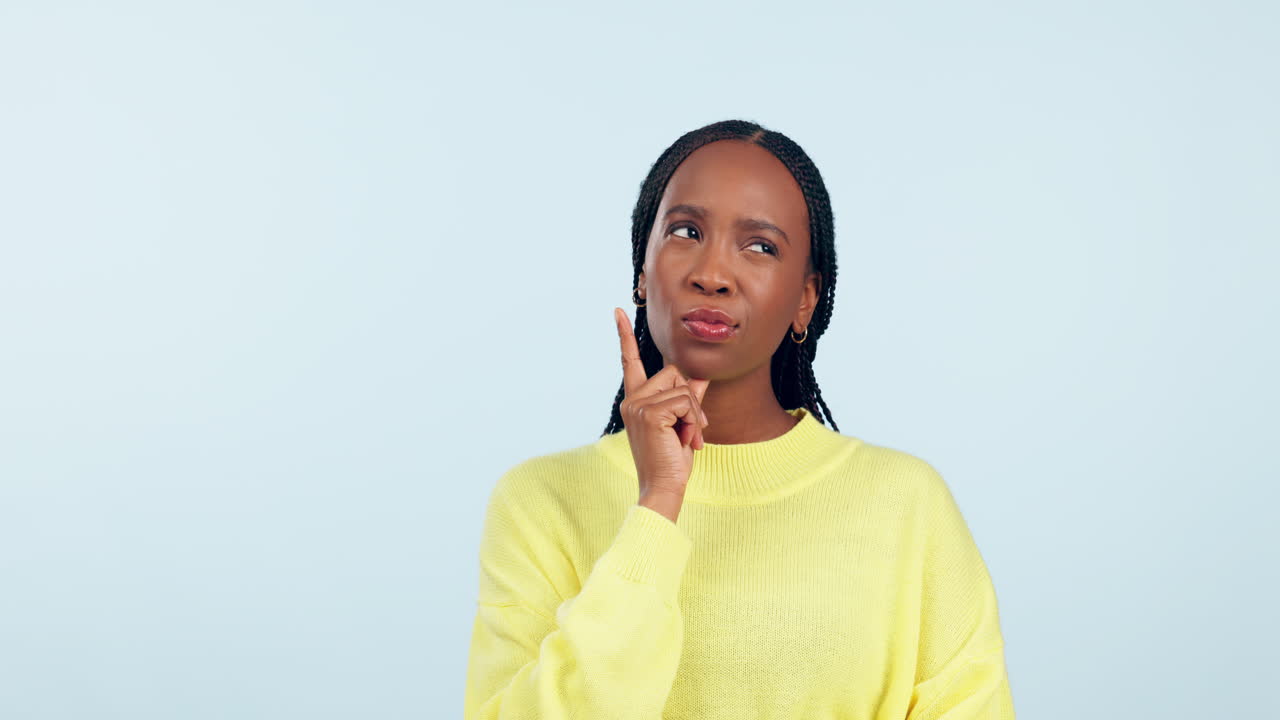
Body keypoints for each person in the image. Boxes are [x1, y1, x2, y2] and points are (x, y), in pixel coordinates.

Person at [464, 119, 1016, 719]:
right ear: (642, 272)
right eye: (686, 231)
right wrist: (657, 504)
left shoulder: (908, 503)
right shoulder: (540, 501)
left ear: (805, 298)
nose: (713, 274)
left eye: (760, 246)